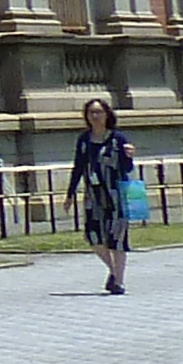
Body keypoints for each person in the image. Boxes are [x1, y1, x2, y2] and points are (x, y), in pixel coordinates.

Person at [65, 97, 136, 294]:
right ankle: (113, 271)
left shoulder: (117, 138)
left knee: (117, 238)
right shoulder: (84, 140)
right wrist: (70, 193)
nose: (95, 116)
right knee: (94, 236)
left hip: (116, 194)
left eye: (99, 112)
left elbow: (126, 168)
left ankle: (119, 282)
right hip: (93, 195)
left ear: (107, 114)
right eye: (91, 113)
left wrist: (129, 157)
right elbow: (78, 167)